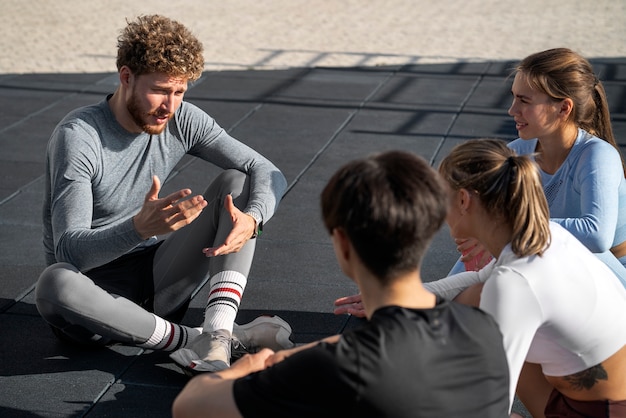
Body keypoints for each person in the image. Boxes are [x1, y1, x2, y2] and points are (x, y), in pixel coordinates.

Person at [34, 14, 293, 375]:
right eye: (159, 90)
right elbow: (70, 252)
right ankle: (201, 338)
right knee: (54, 282)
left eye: (179, 92)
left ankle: (217, 331)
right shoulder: (79, 136)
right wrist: (137, 228)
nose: (169, 106)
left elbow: (266, 170)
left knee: (237, 184)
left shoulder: (182, 119)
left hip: (158, 279)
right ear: (126, 77)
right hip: (90, 302)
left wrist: (255, 220)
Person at [171, 150, 510, 418]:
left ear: (343, 244)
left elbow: (189, 405)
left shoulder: (337, 367)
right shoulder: (482, 330)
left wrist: (249, 366)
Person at [336, 139, 626, 417]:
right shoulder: (544, 237)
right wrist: (402, 296)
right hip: (591, 399)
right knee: (474, 299)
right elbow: (478, 279)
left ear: (463, 200)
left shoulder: (515, 283)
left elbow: (490, 404)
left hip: (603, 411)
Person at [451, 48, 626, 286]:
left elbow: (597, 237)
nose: (512, 110)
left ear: (564, 108)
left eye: (524, 100)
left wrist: (510, 227)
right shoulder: (517, 152)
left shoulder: (597, 155)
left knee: (512, 237)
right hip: (558, 264)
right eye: (514, 97)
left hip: (611, 274)